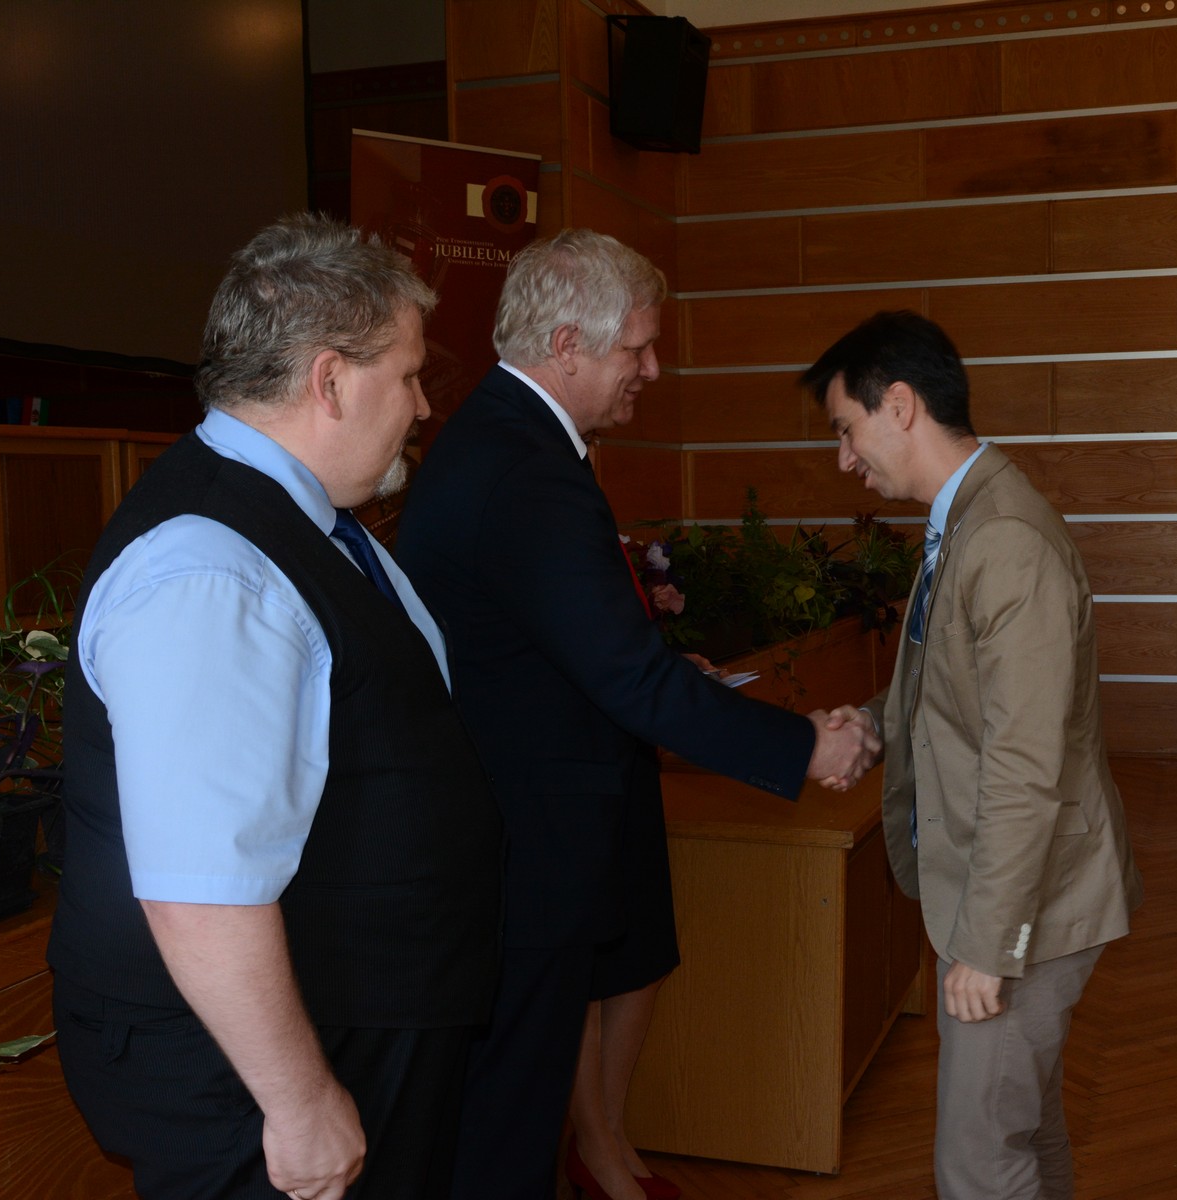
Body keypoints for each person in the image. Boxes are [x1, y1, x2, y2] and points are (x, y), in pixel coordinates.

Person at [394, 228, 878, 1200]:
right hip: (524, 841)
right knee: (505, 1130)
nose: (652, 371)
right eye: (639, 349)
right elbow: (624, 678)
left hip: (524, 825)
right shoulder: (525, 467)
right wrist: (804, 746)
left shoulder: (513, 441)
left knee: (511, 1112)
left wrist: (655, 667)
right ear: (567, 345)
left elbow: (564, 645)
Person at [47, 214, 503, 1200]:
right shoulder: (207, 567)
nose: (424, 405)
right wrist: (298, 1100)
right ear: (330, 381)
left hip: (359, 1021)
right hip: (249, 1078)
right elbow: (199, 889)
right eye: (409, 375)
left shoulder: (316, 524)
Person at [804, 310, 1143, 1200]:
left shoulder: (1003, 541)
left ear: (900, 405)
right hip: (1017, 898)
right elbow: (955, 693)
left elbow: (1025, 768)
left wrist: (989, 947)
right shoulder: (965, 520)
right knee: (1023, 1131)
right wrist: (871, 723)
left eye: (846, 429)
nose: (844, 458)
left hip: (1027, 912)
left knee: (979, 1164)